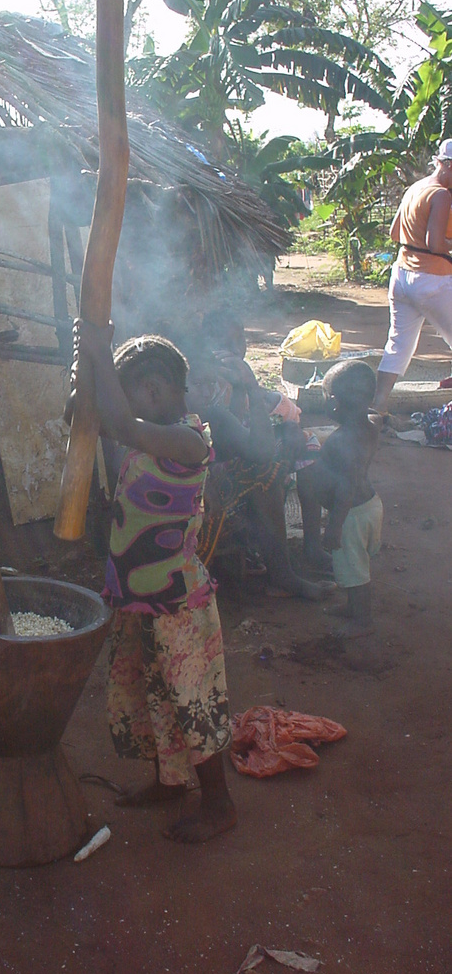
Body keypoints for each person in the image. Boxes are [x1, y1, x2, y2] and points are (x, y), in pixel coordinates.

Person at [76, 324, 236, 843]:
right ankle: (170, 781)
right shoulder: (148, 425)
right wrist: (87, 363)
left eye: (128, 395)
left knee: (193, 700)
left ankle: (220, 804)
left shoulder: (187, 441)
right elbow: (89, 414)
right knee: (156, 694)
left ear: (150, 391)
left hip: (177, 603)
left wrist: (100, 353)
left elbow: (119, 423)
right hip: (140, 599)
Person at [186, 349, 332, 600]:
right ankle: (281, 571)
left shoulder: (214, 413)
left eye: (211, 383)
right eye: (198, 384)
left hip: (210, 497)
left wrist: (249, 390)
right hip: (185, 503)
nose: (208, 391)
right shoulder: (171, 417)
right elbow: (259, 454)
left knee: (272, 462)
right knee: (263, 472)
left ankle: (290, 561)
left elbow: (257, 448)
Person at [297, 361, 383, 634]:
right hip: (370, 506)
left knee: (355, 572)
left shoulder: (339, 441)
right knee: (357, 563)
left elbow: (346, 486)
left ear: (334, 404)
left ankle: (361, 621)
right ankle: (352, 608)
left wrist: (334, 525)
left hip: (351, 515)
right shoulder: (369, 427)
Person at [373, 138, 452, 414]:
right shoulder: (442, 194)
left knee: (397, 345)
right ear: (447, 165)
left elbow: (395, 233)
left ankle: (377, 406)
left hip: (402, 275)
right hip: (431, 279)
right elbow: (435, 244)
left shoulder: (416, 187)